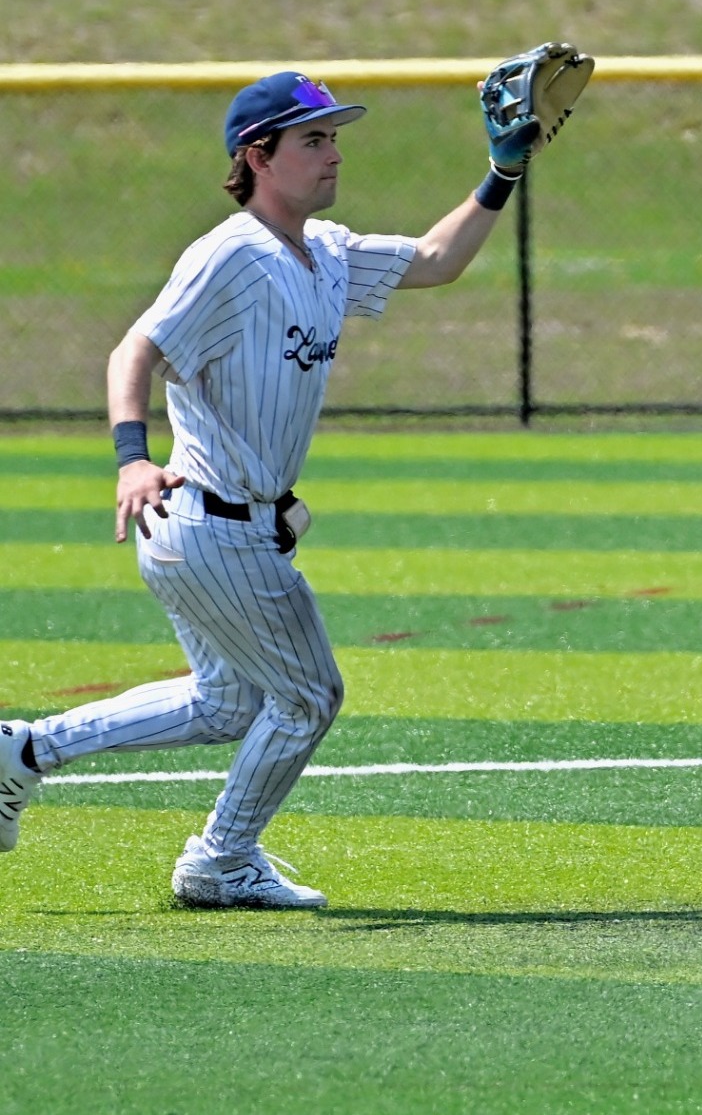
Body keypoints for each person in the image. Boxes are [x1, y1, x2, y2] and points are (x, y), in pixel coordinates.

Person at [0, 63, 551, 906]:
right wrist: (129, 456)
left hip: (229, 526)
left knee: (226, 703)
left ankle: (25, 749)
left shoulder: (324, 252)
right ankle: (219, 859)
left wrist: (502, 169)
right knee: (308, 696)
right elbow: (133, 350)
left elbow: (438, 261)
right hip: (207, 522)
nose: (334, 155)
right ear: (258, 155)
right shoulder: (230, 255)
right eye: (314, 139)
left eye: (333, 137)